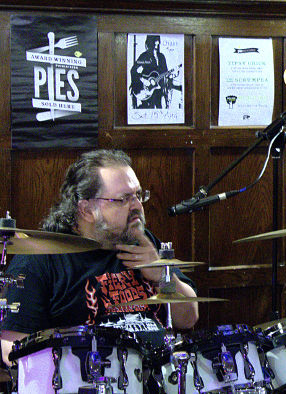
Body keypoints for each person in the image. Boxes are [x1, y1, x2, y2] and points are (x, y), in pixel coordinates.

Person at [0, 149, 198, 366]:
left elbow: (188, 319)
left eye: (138, 196)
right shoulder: (41, 258)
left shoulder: (143, 241)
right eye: (123, 199)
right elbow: (11, 349)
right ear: (86, 209)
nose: (137, 207)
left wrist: (163, 276)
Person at [130, 35, 170, 109]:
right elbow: (133, 70)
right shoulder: (144, 56)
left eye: (158, 41)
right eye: (155, 41)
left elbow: (166, 72)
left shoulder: (161, 57)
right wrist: (143, 80)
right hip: (146, 90)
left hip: (158, 89)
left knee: (159, 108)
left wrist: (170, 75)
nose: (157, 43)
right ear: (149, 43)